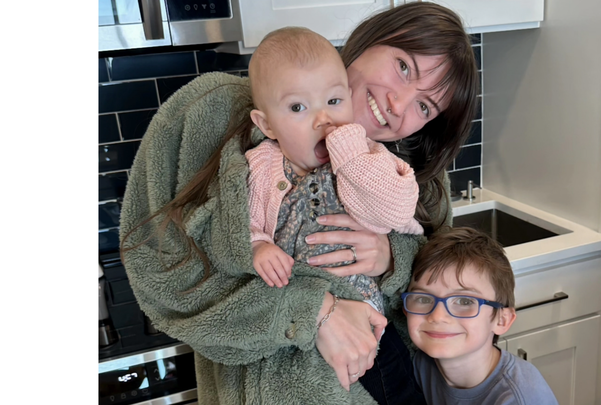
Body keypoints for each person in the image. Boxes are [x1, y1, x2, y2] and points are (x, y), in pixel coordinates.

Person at [119, 2, 479, 404]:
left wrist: (393, 257)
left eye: (425, 106)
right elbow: (160, 274)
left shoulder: (416, 177)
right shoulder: (213, 110)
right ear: (372, 40)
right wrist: (311, 311)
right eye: (404, 67)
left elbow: (447, 299)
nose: (398, 104)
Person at [245, 28, 423, 317]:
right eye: (298, 107)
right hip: (298, 308)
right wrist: (258, 246)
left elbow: (398, 210)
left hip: (364, 307)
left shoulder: (369, 154)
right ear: (266, 125)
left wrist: (350, 153)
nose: (323, 118)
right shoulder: (262, 165)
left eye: (334, 101)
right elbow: (242, 224)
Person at [401, 227, 558, 405]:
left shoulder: (519, 399)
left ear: (502, 320)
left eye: (464, 301)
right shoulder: (419, 363)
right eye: (423, 298)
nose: (437, 316)